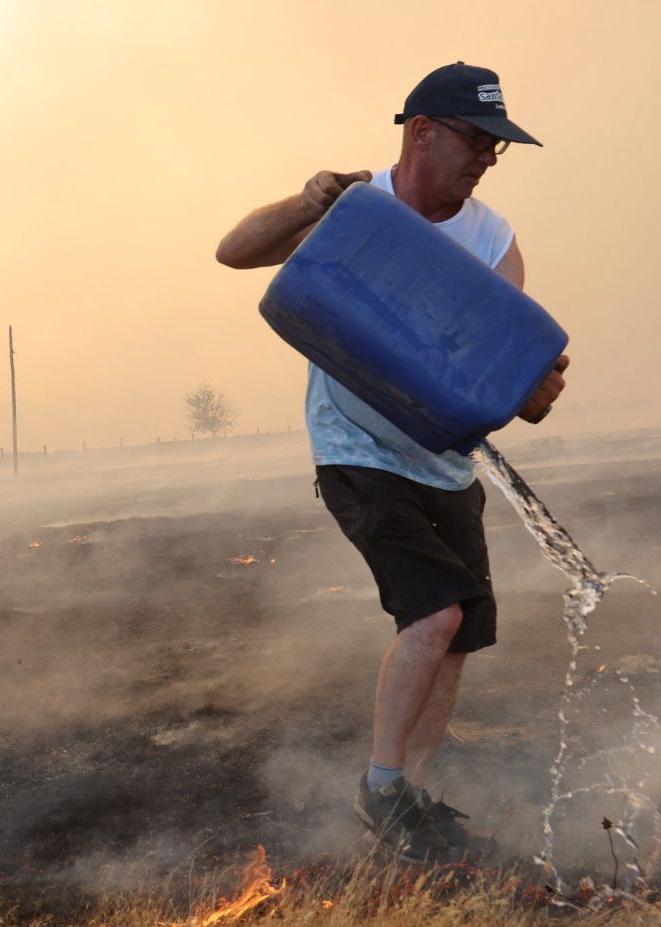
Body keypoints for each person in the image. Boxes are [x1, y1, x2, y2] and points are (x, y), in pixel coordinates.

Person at [215, 62, 569, 861]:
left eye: (496, 147)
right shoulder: (356, 210)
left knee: (459, 636)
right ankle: (378, 787)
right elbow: (233, 254)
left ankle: (409, 795)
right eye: (476, 140)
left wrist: (534, 389)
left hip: (445, 464)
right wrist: (310, 203)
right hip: (358, 449)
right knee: (434, 613)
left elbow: (501, 368)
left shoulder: (493, 238)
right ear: (421, 132)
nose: (485, 158)